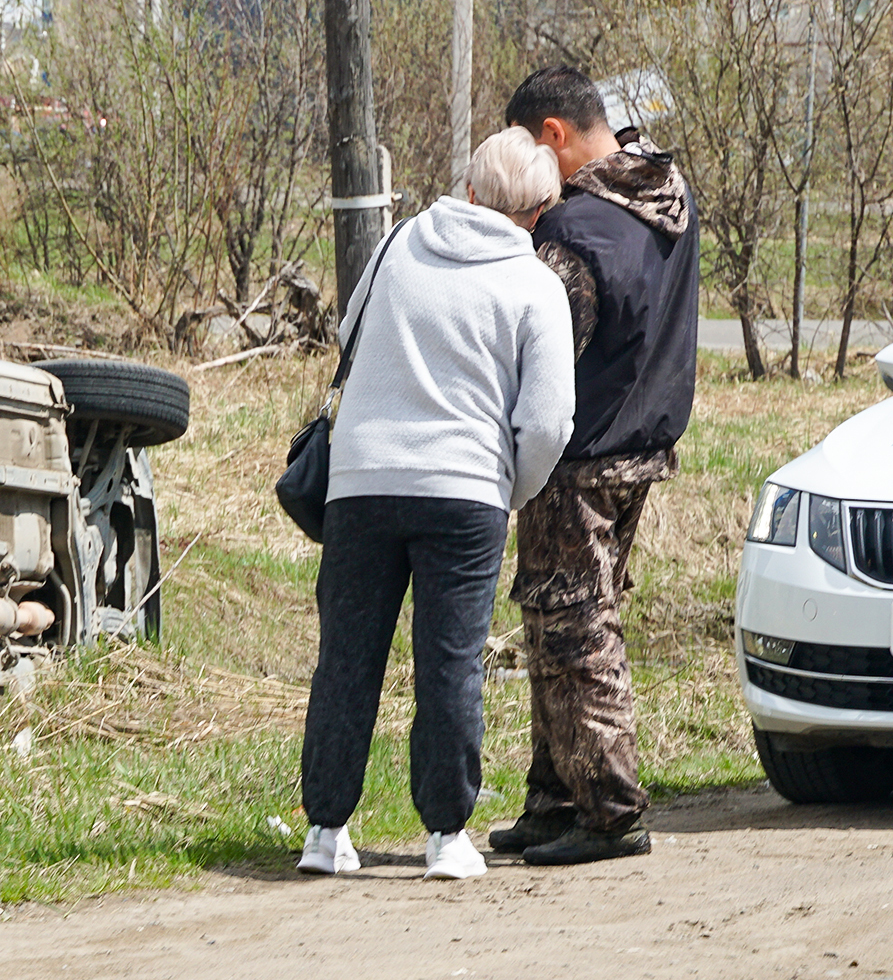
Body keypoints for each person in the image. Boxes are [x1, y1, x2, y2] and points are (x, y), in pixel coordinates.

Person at [298, 127, 576, 881]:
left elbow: (348, 333)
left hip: (361, 481)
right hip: (466, 494)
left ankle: (325, 830)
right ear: (541, 208)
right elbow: (548, 421)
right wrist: (508, 487)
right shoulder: (534, 285)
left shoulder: (396, 246)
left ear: (472, 186)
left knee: (346, 658)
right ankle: (446, 837)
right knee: (449, 664)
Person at [488, 65, 699, 867]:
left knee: (575, 627)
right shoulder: (664, 190)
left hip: (579, 455)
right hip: (644, 443)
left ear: (551, 136)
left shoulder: (573, 231)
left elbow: (540, 354)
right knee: (565, 616)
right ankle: (556, 796)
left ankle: (609, 808)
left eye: (526, 148)